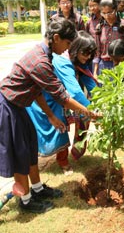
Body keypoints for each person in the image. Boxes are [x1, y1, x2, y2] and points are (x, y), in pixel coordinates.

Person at [0, 17, 97, 213]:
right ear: (56, 37)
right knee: (20, 155)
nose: (68, 49)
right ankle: (26, 201)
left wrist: (51, 116)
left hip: (19, 106)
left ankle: (36, 189)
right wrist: (89, 113)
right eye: (68, 44)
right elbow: (62, 96)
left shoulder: (46, 54)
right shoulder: (40, 61)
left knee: (29, 149)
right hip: (8, 108)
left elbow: (36, 89)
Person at [26, 31, 97, 175]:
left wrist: (102, 101)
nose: (88, 57)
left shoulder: (81, 60)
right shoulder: (63, 61)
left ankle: (66, 157)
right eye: (85, 53)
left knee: (68, 124)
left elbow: (90, 84)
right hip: (44, 98)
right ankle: (59, 161)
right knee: (57, 128)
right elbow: (76, 93)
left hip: (59, 97)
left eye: (91, 54)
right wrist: (91, 111)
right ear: (75, 49)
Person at [93, 0, 124, 79]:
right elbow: (97, 52)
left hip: (121, 66)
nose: (107, 16)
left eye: (110, 12)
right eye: (103, 13)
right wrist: (95, 72)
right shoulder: (99, 27)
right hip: (104, 67)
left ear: (116, 9)